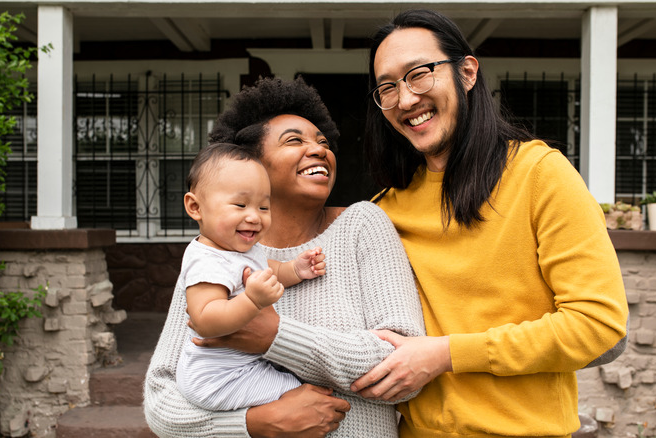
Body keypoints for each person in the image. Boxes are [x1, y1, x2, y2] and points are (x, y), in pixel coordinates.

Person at [349, 9, 630, 438]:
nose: (405, 100)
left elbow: (597, 325)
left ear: (467, 72)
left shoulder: (540, 175)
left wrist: (446, 355)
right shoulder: (383, 211)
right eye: (387, 87)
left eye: (419, 74)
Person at [144, 76, 426, 437]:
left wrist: (275, 336)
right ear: (250, 163)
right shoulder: (214, 251)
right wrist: (255, 424)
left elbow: (405, 372)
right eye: (295, 140)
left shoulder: (362, 225)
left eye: (323, 143)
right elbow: (161, 401)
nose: (319, 150)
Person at [175, 142, 326, 411]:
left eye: (264, 208)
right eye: (240, 204)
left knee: (299, 386)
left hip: (241, 368)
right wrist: (252, 301)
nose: (254, 217)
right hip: (217, 379)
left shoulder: (243, 250)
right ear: (195, 207)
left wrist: (295, 269)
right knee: (301, 394)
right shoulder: (205, 259)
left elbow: (272, 271)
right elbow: (204, 320)